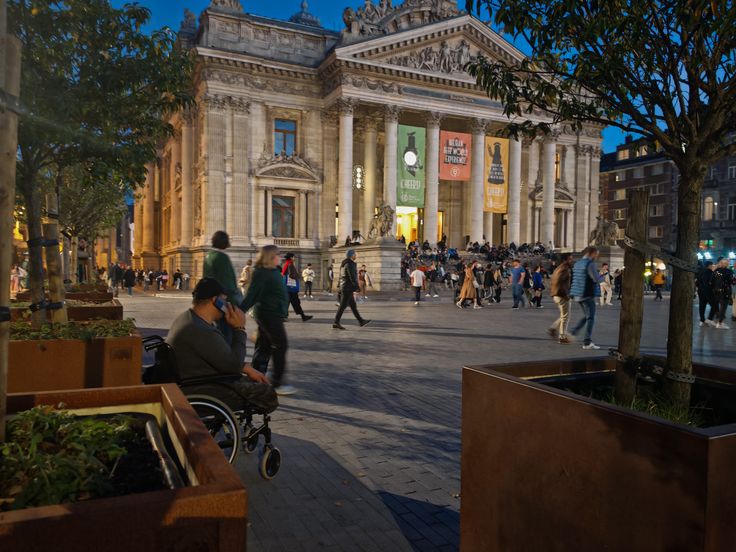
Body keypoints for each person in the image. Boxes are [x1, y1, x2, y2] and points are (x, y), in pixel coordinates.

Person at [166, 278, 278, 412]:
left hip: (191, 382)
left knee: (251, 380)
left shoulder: (188, 319)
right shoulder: (202, 330)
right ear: (215, 301)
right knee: (267, 393)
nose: (227, 305)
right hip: (201, 388)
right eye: (224, 300)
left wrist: (246, 367)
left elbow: (220, 356)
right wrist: (239, 329)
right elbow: (233, 365)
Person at [241, 245, 296, 395]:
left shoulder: (273, 271)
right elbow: (252, 295)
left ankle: (256, 376)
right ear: (270, 257)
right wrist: (239, 311)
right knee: (281, 345)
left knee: (264, 346)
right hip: (268, 314)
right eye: (278, 254)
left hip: (273, 314)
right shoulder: (262, 273)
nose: (280, 257)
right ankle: (277, 383)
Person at [204, 231, 243, 342]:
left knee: (219, 329)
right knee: (227, 333)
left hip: (212, 300)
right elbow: (228, 282)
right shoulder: (222, 257)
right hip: (224, 301)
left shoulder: (208, 256)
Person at [569, 246, 603, 350]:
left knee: (587, 316)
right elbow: (596, 279)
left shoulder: (578, 263)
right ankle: (587, 342)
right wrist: (601, 276)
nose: (596, 257)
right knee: (591, 318)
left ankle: (573, 331)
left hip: (577, 294)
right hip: (586, 294)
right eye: (596, 254)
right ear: (592, 253)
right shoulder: (590, 264)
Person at [333, 250, 371, 330]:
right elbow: (352, 276)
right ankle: (336, 322)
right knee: (343, 306)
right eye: (355, 254)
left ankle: (361, 321)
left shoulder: (344, 263)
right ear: (351, 255)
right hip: (347, 287)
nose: (355, 256)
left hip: (345, 286)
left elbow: (342, 276)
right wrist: (356, 286)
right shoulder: (350, 264)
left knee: (353, 306)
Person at [548, 253, 574, 344]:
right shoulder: (564, 269)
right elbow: (560, 283)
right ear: (565, 260)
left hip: (556, 294)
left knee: (564, 315)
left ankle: (553, 328)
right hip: (561, 295)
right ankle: (562, 337)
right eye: (570, 259)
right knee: (566, 317)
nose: (571, 261)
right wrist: (566, 295)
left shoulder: (558, 268)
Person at [281, 252, 313, 322]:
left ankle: (284, 316)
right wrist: (297, 276)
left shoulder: (286, 264)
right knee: (295, 302)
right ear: (291, 257)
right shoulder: (290, 264)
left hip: (287, 287)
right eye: (293, 257)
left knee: (289, 302)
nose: (294, 258)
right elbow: (291, 275)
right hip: (291, 287)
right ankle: (303, 316)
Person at [711, 257, 733, 329]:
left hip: (716, 291)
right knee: (723, 308)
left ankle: (719, 321)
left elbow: (711, 281)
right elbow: (731, 281)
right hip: (725, 291)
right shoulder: (729, 271)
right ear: (727, 264)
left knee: (720, 307)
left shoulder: (716, 271)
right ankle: (720, 323)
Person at [696, 261, 717, 327]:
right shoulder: (709, 272)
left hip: (700, 291)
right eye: (712, 265)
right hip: (708, 291)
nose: (713, 266)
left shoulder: (700, 272)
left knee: (702, 305)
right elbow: (709, 283)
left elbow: (697, 283)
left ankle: (702, 320)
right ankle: (709, 319)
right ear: (709, 265)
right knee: (715, 305)